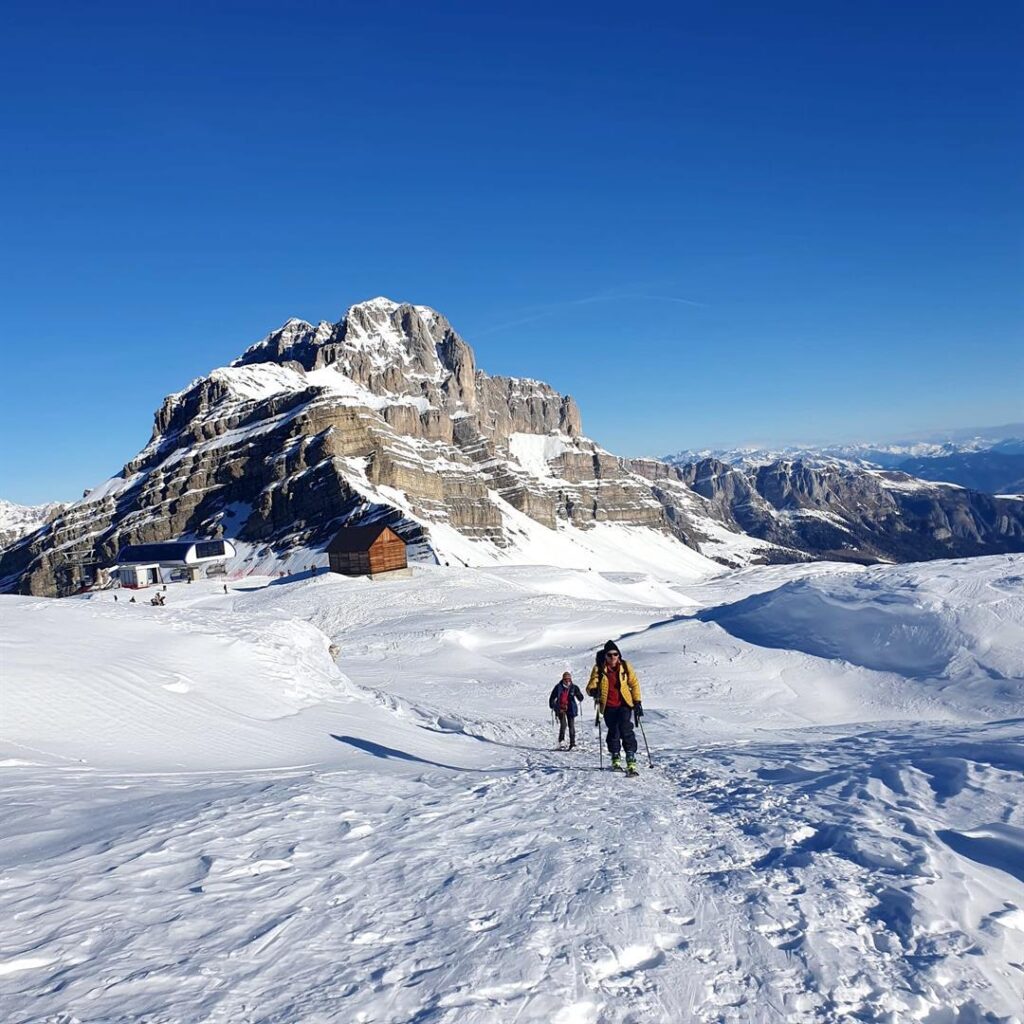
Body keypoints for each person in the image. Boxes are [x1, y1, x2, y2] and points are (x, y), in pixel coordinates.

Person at [586, 640, 643, 773]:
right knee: (614, 731)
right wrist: (594, 691)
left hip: (624, 703)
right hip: (608, 705)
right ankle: (615, 756)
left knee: (625, 727)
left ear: (619, 655)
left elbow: (634, 684)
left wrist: (637, 701)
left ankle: (630, 756)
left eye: (615, 654)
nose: (613, 657)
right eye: (610, 655)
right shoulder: (599, 668)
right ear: (605, 656)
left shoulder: (625, 666)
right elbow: (590, 686)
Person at [548, 672, 585, 750]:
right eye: (566, 679)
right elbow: (552, 697)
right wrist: (552, 705)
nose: (567, 681)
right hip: (560, 708)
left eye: (569, 679)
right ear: (563, 679)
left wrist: (579, 695)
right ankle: (561, 742)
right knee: (563, 725)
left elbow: (580, 697)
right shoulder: (558, 687)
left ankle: (572, 743)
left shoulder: (574, 687)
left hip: (571, 708)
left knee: (571, 726)